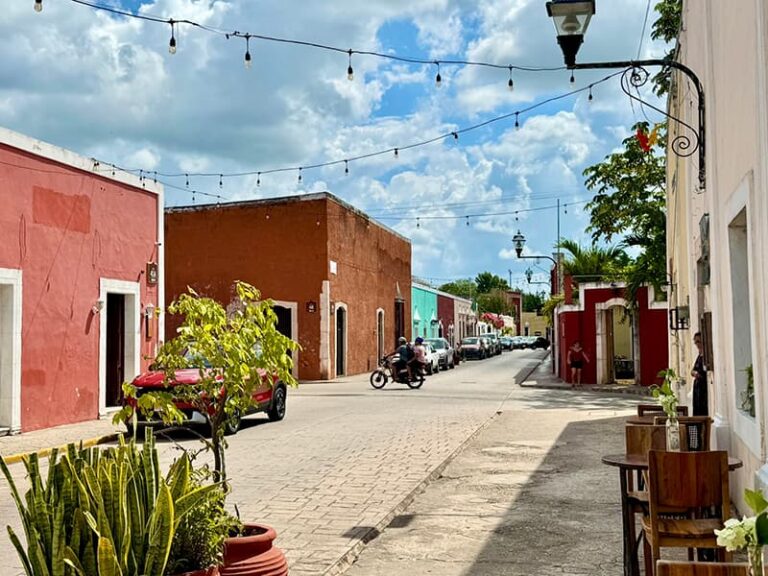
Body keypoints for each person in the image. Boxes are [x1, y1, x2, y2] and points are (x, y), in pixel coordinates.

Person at [691, 332, 708, 416]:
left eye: (698, 341)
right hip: (697, 388)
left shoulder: (706, 355)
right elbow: (693, 370)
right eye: (696, 342)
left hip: (703, 388)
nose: (697, 344)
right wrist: (694, 373)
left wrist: (698, 374)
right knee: (697, 410)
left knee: (703, 410)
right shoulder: (699, 355)